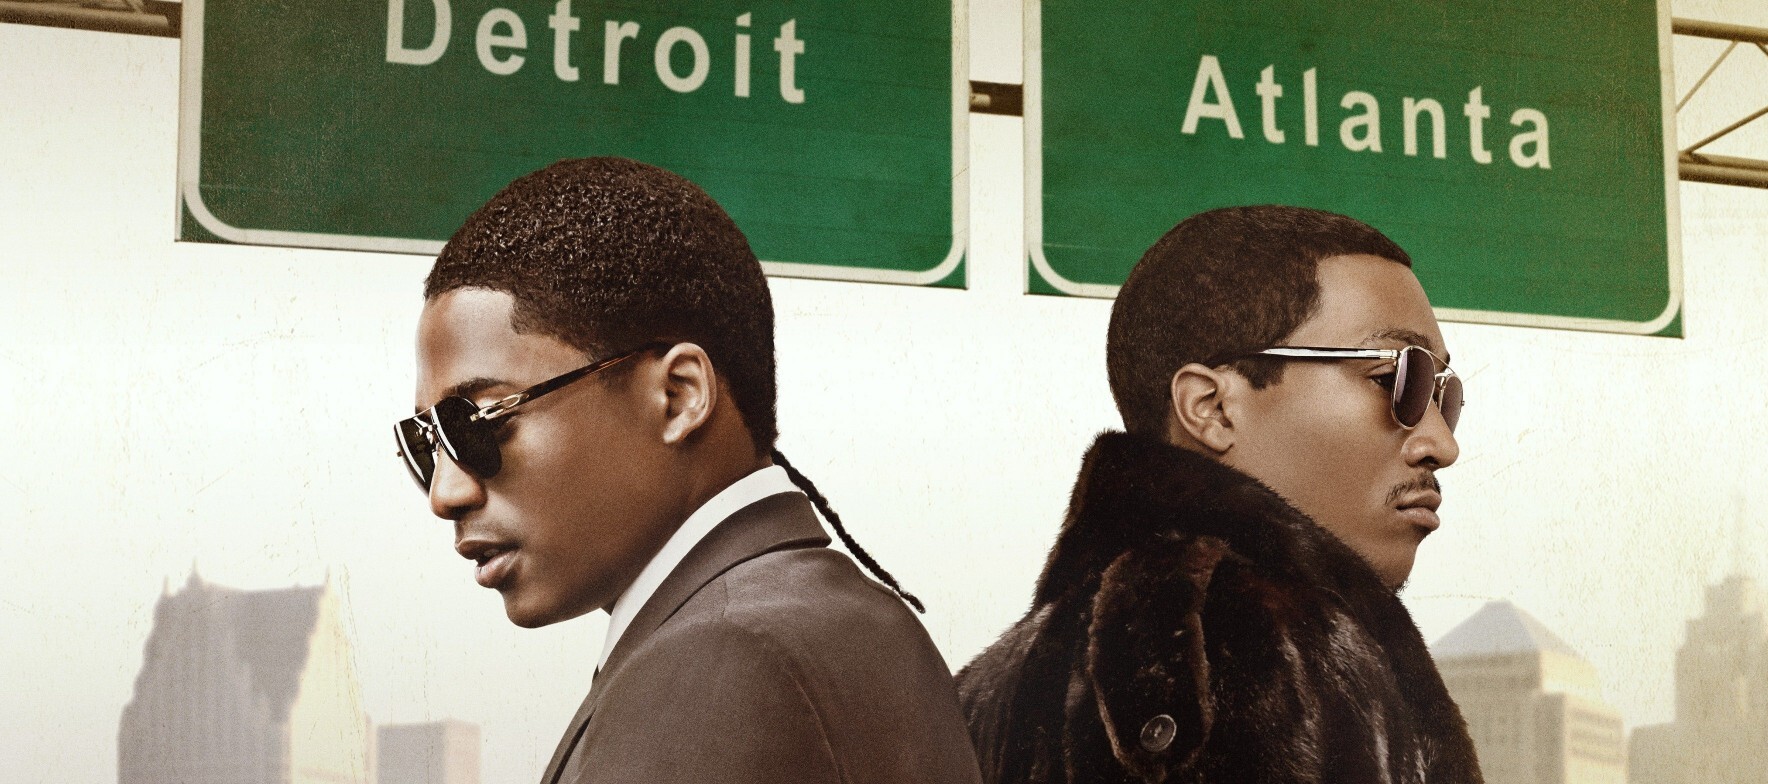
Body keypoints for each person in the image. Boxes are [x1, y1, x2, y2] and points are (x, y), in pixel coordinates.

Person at [394, 157, 982, 784]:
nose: (445, 493)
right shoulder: (844, 621)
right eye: (424, 445)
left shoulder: (722, 659)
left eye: (476, 423)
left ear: (678, 397)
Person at [955, 206, 1483, 784]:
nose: (1441, 444)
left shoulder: (987, 694)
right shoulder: (1256, 647)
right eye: (1398, 378)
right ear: (1211, 408)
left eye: (1443, 394)